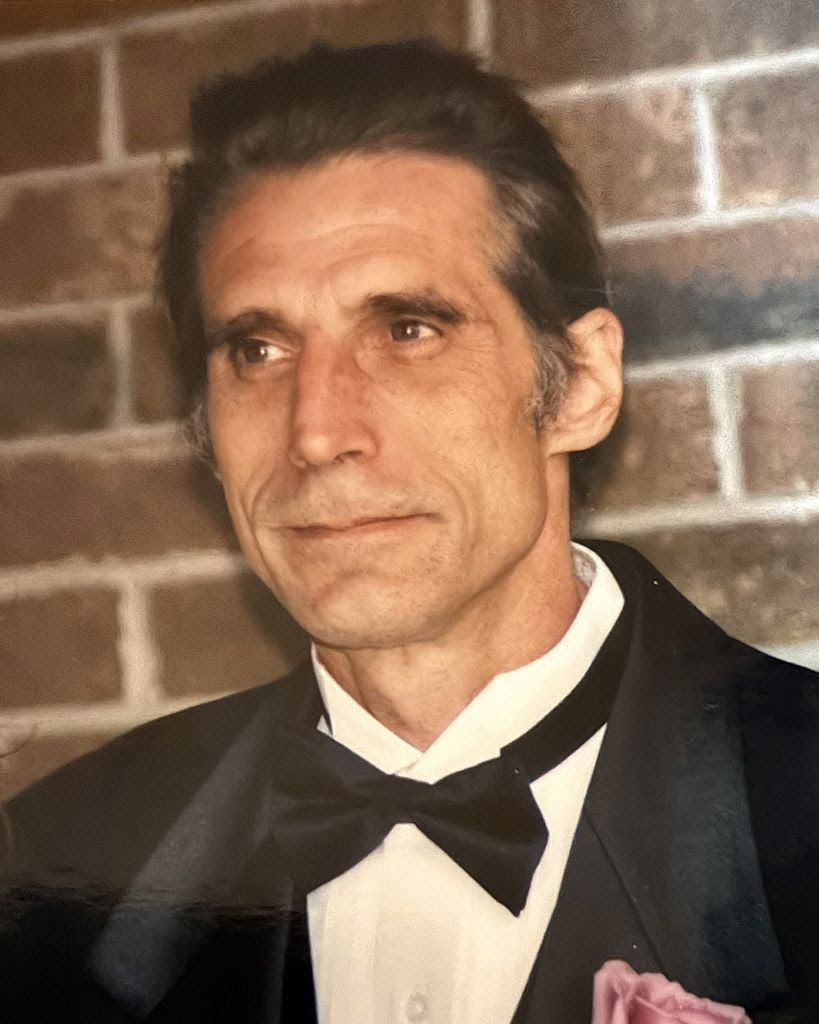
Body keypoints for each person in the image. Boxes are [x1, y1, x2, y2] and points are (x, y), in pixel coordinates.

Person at [1, 40, 816, 1024]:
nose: (316, 432)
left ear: (579, 385)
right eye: (257, 349)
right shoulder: (53, 870)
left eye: (406, 330)